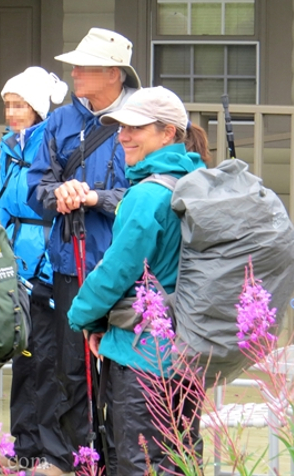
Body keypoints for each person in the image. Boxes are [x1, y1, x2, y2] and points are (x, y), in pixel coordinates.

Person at [67, 86, 211, 475]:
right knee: (182, 459)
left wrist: (83, 317)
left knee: (140, 463)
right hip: (187, 354)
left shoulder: (147, 195)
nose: (122, 135)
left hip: (143, 356)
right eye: (120, 127)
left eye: (135, 128)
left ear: (167, 133)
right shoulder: (196, 182)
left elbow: (117, 271)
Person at [26, 28, 141, 475]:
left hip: (125, 269)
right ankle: (77, 460)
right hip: (69, 264)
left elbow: (149, 194)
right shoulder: (59, 122)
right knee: (71, 369)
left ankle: (119, 462)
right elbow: (38, 189)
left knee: (120, 371)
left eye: (85, 66)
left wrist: (97, 198)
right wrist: (63, 194)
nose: (73, 72)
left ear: (113, 73)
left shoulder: (142, 117)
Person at [0, 67, 68, 472]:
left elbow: (52, 209)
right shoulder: (9, 145)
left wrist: (47, 265)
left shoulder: (51, 144)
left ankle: (49, 447)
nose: (11, 111)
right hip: (15, 266)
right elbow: (4, 202)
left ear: (37, 108)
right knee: (23, 357)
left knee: (47, 360)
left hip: (47, 267)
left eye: (19, 104)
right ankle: (24, 445)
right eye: (7, 104)